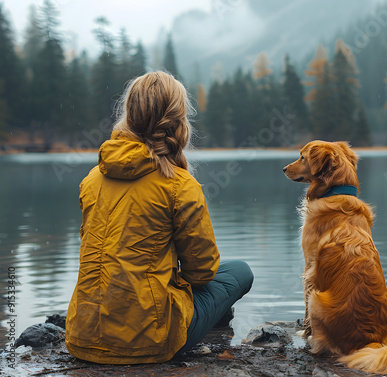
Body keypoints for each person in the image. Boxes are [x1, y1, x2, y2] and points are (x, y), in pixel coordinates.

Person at [65, 71, 253, 364]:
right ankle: (207, 333)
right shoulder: (179, 184)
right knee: (239, 272)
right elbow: (201, 272)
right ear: (178, 122)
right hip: (149, 342)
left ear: (128, 116)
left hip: (82, 336)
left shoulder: (92, 180)